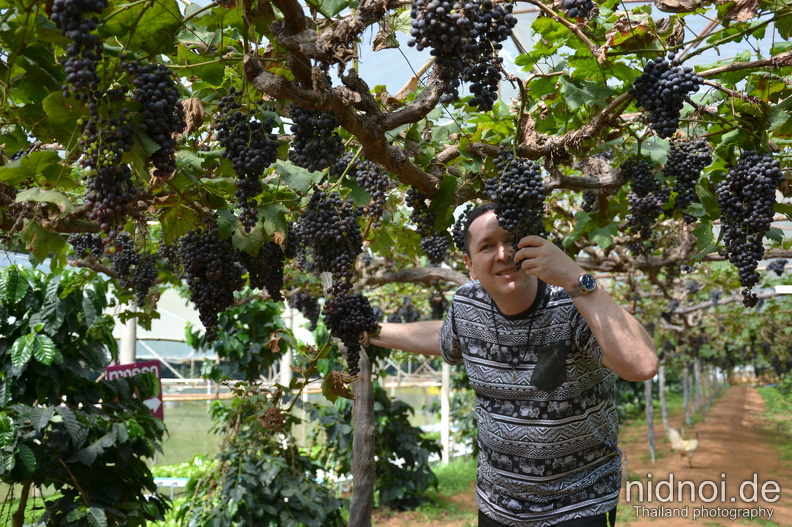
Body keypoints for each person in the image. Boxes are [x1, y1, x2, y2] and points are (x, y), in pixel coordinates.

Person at [369, 203, 658, 527]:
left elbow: (642, 365)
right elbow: (445, 337)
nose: (503, 253)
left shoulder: (572, 303)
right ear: (470, 265)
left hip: (580, 505)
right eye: (487, 246)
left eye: (511, 240)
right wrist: (371, 331)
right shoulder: (467, 304)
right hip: (498, 505)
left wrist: (574, 275)